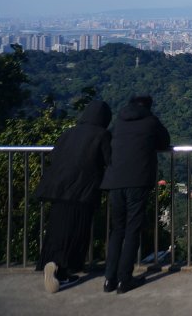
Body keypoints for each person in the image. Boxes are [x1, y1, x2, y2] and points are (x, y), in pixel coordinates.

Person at [34, 99, 113, 293]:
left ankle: (50, 261)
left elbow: (55, 156)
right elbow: (109, 160)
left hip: (58, 188)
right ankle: (63, 270)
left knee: (57, 228)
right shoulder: (101, 135)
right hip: (82, 190)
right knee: (75, 230)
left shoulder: (68, 133)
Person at [100, 95, 171, 294]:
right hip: (137, 181)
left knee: (117, 230)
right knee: (132, 230)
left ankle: (109, 279)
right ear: (148, 106)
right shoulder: (150, 121)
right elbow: (165, 141)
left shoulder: (119, 123)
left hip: (114, 181)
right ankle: (124, 279)